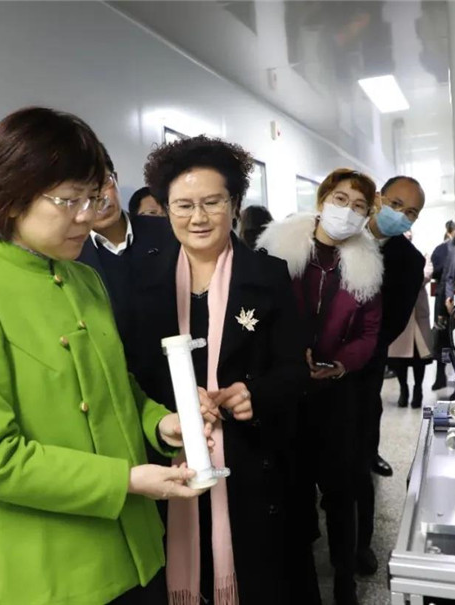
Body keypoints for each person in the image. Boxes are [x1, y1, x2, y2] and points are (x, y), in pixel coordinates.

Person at [0, 107, 212, 605]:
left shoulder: (84, 279)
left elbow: (117, 386)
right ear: (11, 196)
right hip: (52, 567)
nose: (88, 215)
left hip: (136, 547)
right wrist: (123, 480)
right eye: (69, 200)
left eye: (93, 197)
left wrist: (160, 424)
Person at [128, 135, 310, 604]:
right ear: (166, 209)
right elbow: (131, 374)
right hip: (170, 460)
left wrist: (255, 394)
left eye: (212, 202)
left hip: (250, 461)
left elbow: (294, 370)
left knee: (256, 579)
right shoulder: (140, 279)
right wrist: (171, 409)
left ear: (235, 205)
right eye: (183, 205)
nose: (198, 217)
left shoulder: (268, 275)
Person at [259, 168, 383, 605]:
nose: (347, 211)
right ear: (323, 198)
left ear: (366, 217)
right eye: (341, 199)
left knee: (341, 490)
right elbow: (262, 314)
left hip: (335, 392)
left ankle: (345, 581)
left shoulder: (366, 266)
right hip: (286, 391)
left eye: (358, 206)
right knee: (293, 490)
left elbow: (369, 332)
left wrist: (342, 364)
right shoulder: (279, 249)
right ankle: (303, 584)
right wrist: (290, 356)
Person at [352, 175, 426, 574]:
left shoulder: (409, 261)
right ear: (378, 198)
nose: (401, 215)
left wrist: (351, 355)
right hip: (309, 367)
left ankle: (361, 544)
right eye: (396, 204)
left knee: (359, 456)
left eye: (410, 212)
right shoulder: (340, 235)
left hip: (363, 369)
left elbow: (392, 323)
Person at [77, 150, 174, 344]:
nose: (99, 199)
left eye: (103, 183)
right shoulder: (71, 256)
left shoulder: (168, 232)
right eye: (81, 193)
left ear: (115, 178)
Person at [388, 249, 433, 408]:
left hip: (418, 313)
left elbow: (426, 275)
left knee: (419, 357)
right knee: (399, 358)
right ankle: (404, 389)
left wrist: (407, 278)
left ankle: (418, 390)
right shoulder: (394, 255)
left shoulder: (423, 256)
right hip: (400, 311)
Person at [430, 220, 455, 389]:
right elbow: (436, 271)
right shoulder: (442, 249)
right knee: (441, 337)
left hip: (453, 298)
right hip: (443, 300)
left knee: (453, 340)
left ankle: (451, 380)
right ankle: (440, 377)